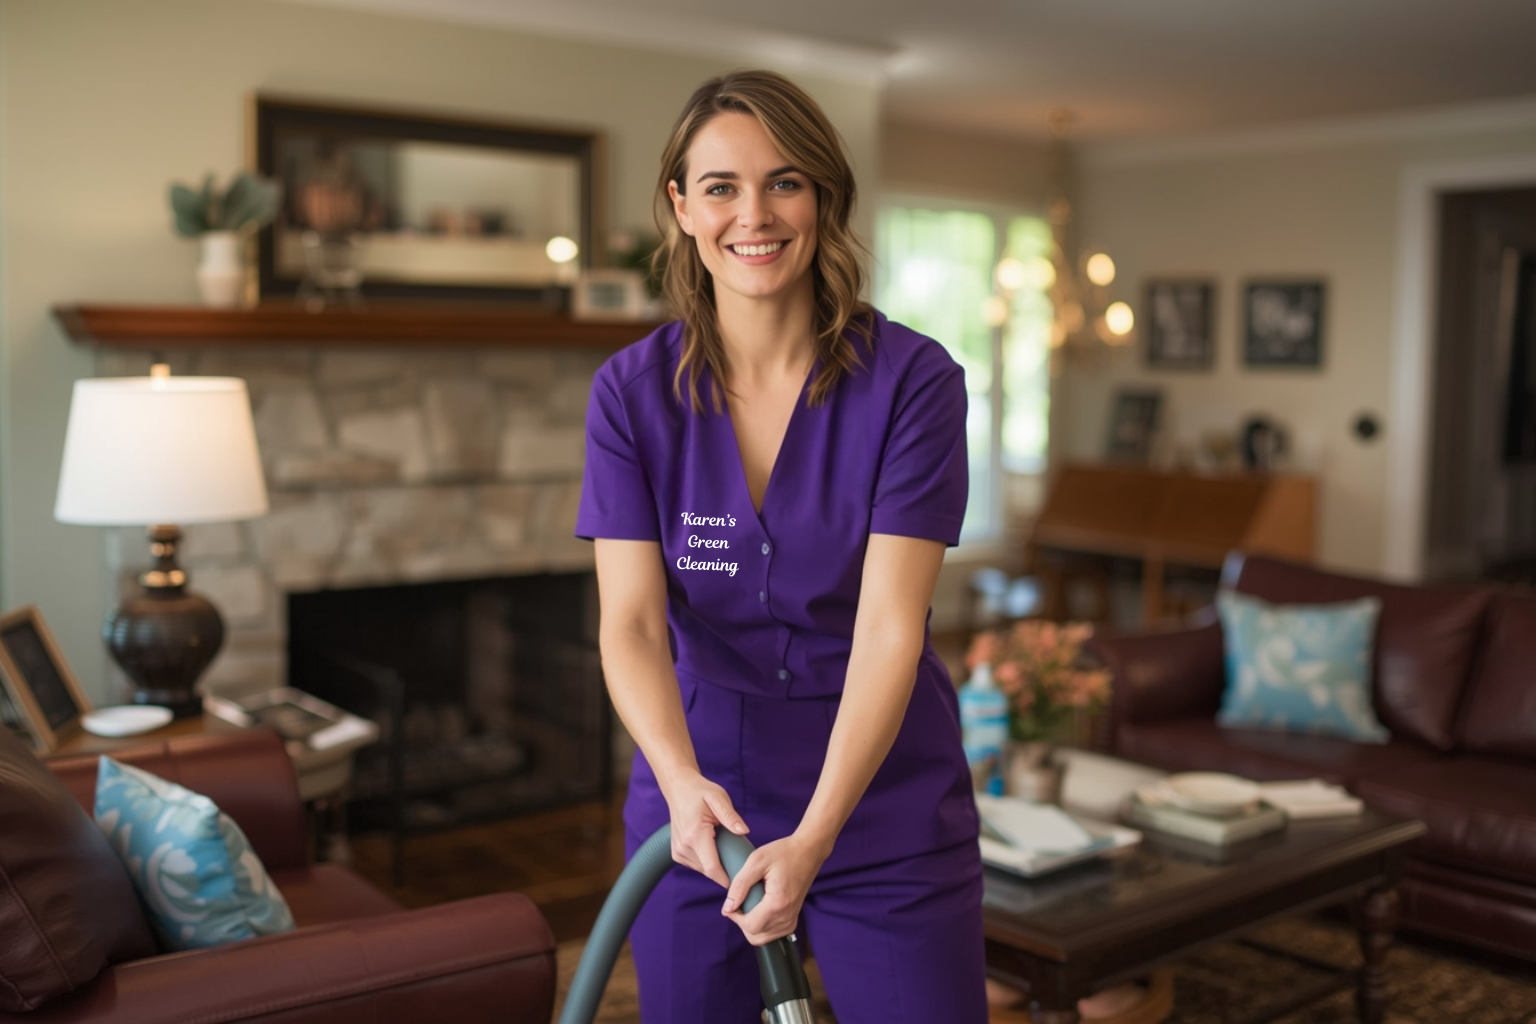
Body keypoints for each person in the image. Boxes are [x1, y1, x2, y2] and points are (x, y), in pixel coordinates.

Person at [575, 69, 987, 1024]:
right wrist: (680, 787)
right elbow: (631, 624)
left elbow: (892, 630)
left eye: (785, 181)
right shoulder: (631, 396)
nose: (752, 214)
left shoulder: (914, 385)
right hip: (698, 807)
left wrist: (815, 835)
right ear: (681, 206)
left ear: (825, 197)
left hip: (883, 804)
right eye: (720, 186)